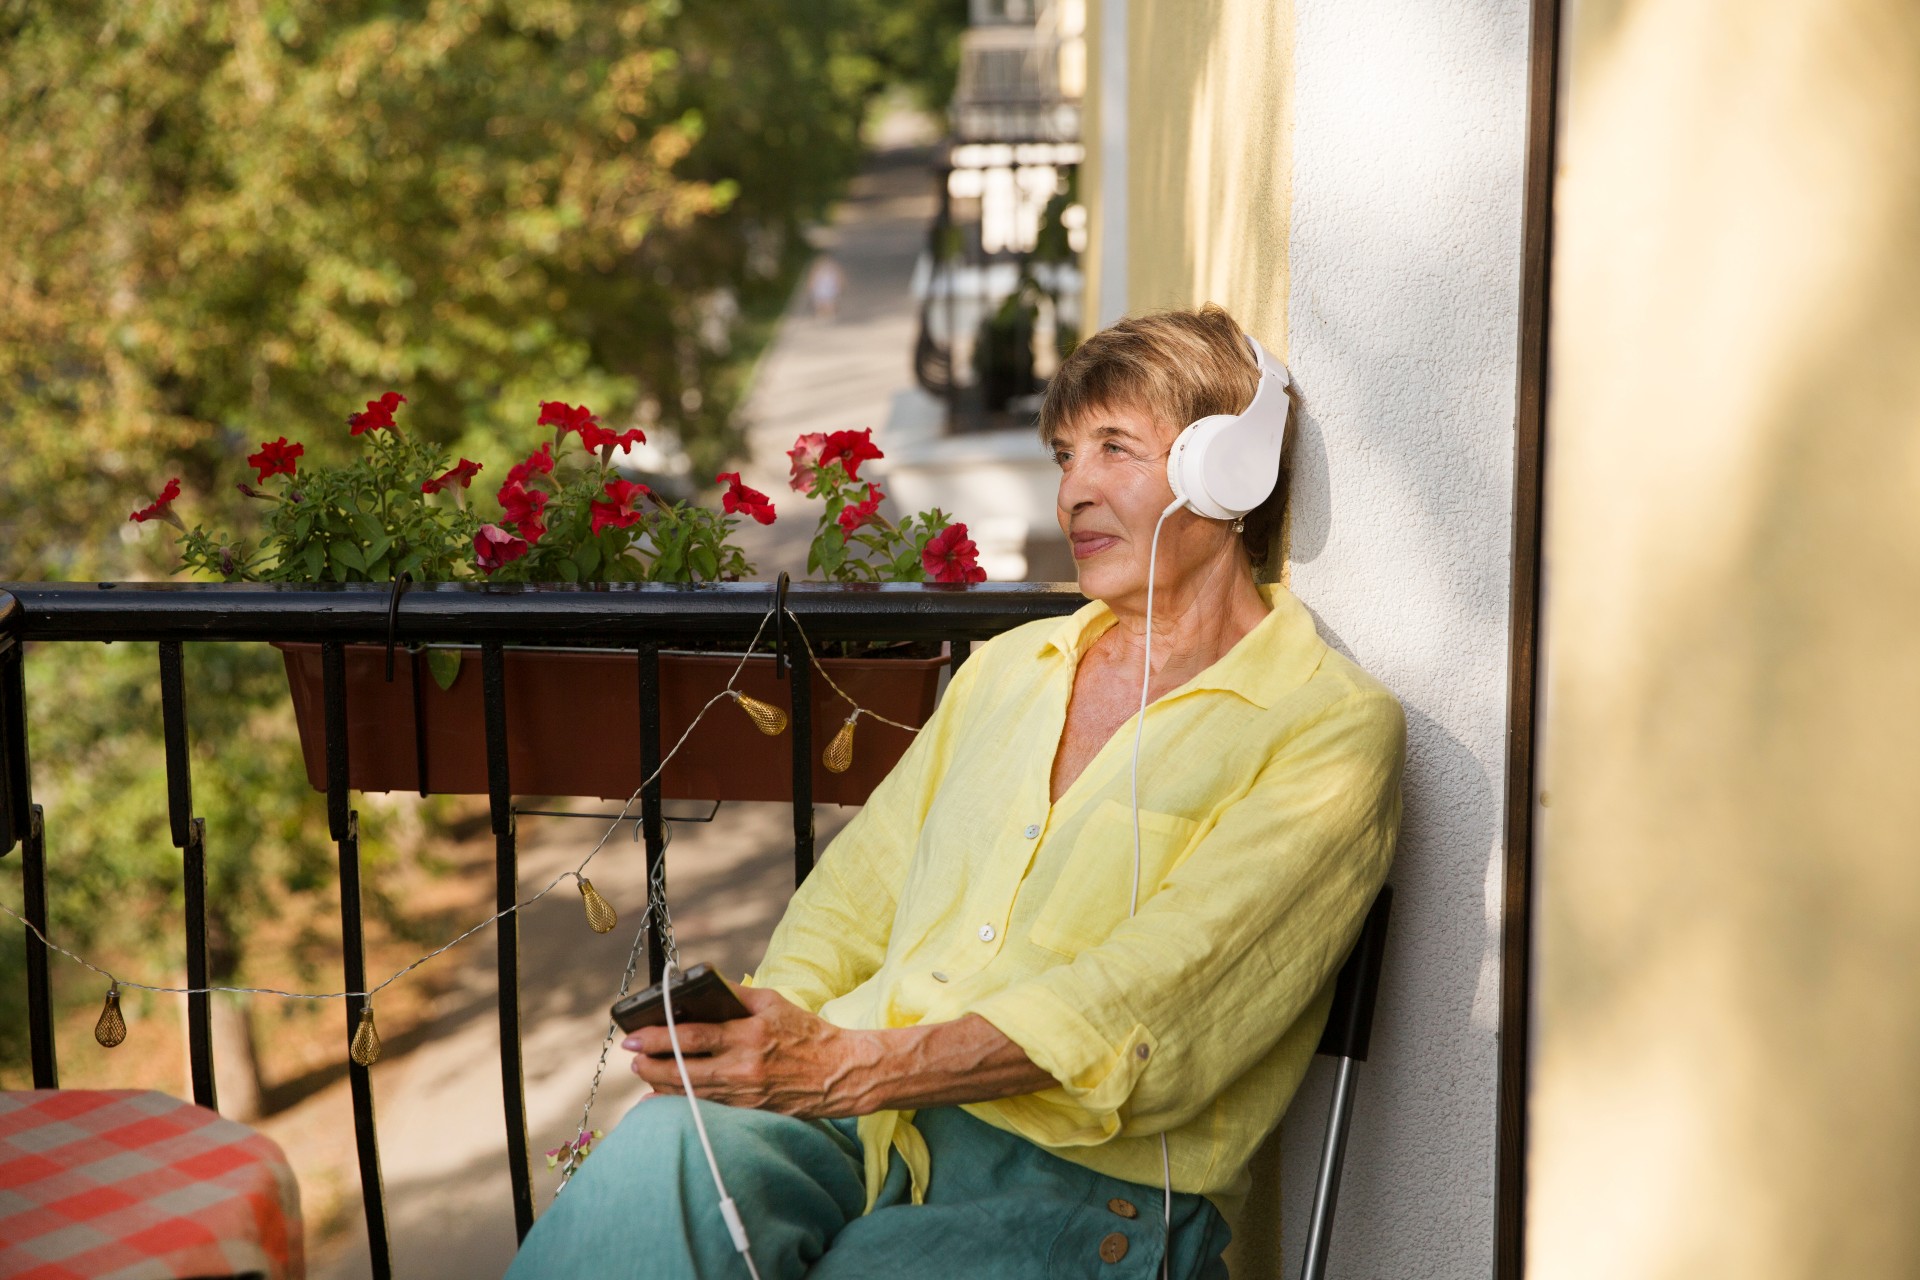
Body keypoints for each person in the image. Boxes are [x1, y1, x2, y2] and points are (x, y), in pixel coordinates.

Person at [506, 306, 1404, 1279]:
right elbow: (854, 897)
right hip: (872, 1119)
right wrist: (768, 1038)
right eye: (1064, 455)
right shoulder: (1011, 668)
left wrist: (844, 1065)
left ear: (1227, 470)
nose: (1074, 491)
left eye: (1115, 448)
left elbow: (1156, 1001)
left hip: (1084, 1188)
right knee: (658, 1156)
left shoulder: (1325, 723)